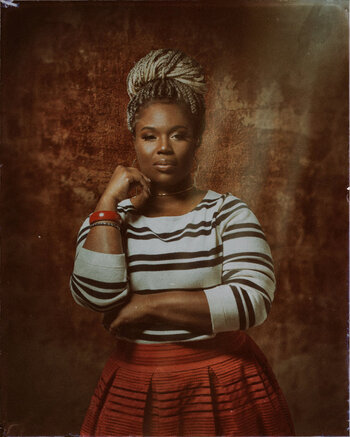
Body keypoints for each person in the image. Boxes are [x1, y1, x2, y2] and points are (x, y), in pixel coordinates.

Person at [70, 49, 295, 436]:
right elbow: (96, 297)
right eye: (149, 135)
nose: (163, 148)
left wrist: (146, 308)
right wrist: (107, 203)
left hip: (224, 383)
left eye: (178, 134)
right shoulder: (109, 220)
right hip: (135, 384)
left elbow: (252, 301)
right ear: (134, 139)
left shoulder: (228, 213)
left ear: (199, 139)